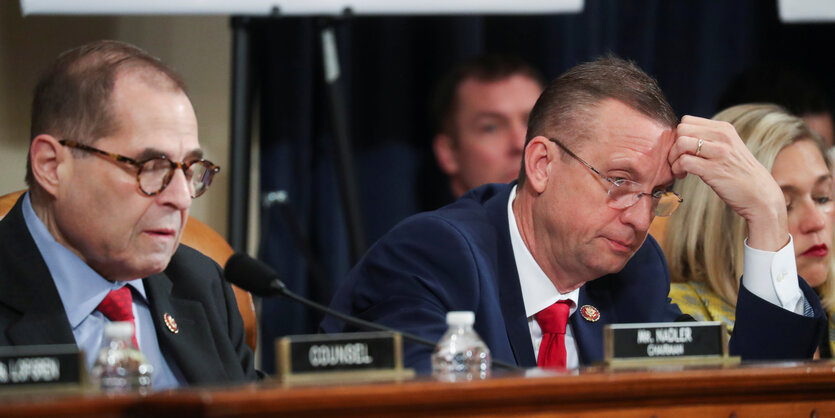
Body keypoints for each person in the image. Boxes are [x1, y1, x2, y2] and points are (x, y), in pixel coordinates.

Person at [322, 56, 826, 373]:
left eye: (656, 194)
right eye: (621, 182)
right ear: (541, 164)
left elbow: (749, 397)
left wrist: (765, 214)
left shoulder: (635, 273)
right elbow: (420, 401)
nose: (639, 218)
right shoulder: (436, 255)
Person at [0, 41, 257, 387]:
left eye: (192, 168)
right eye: (151, 166)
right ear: (51, 166)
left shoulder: (201, 284)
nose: (181, 197)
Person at [666, 104, 835, 356]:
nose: (816, 222)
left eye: (822, 198)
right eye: (785, 205)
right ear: (717, 224)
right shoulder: (673, 314)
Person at [430, 54, 544, 203]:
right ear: (448, 153)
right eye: (491, 128)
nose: (521, 143)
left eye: (534, 121)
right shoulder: (427, 227)